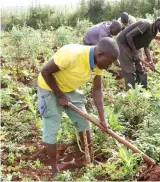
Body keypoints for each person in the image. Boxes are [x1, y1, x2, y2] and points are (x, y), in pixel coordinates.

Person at [37, 37, 120, 176]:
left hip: (69, 89)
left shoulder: (98, 64)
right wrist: (60, 95)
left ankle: (90, 159)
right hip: (49, 89)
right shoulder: (71, 55)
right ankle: (54, 168)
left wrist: (102, 118)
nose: (110, 65)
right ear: (100, 55)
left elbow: (97, 90)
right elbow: (45, 71)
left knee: (84, 123)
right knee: (52, 128)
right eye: (110, 62)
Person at [117, 13, 160, 90]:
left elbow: (146, 46)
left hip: (133, 45)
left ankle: (142, 92)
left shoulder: (154, 32)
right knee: (129, 70)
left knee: (140, 69)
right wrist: (135, 52)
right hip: (123, 43)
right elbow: (129, 36)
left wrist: (151, 61)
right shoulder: (146, 25)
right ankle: (130, 94)